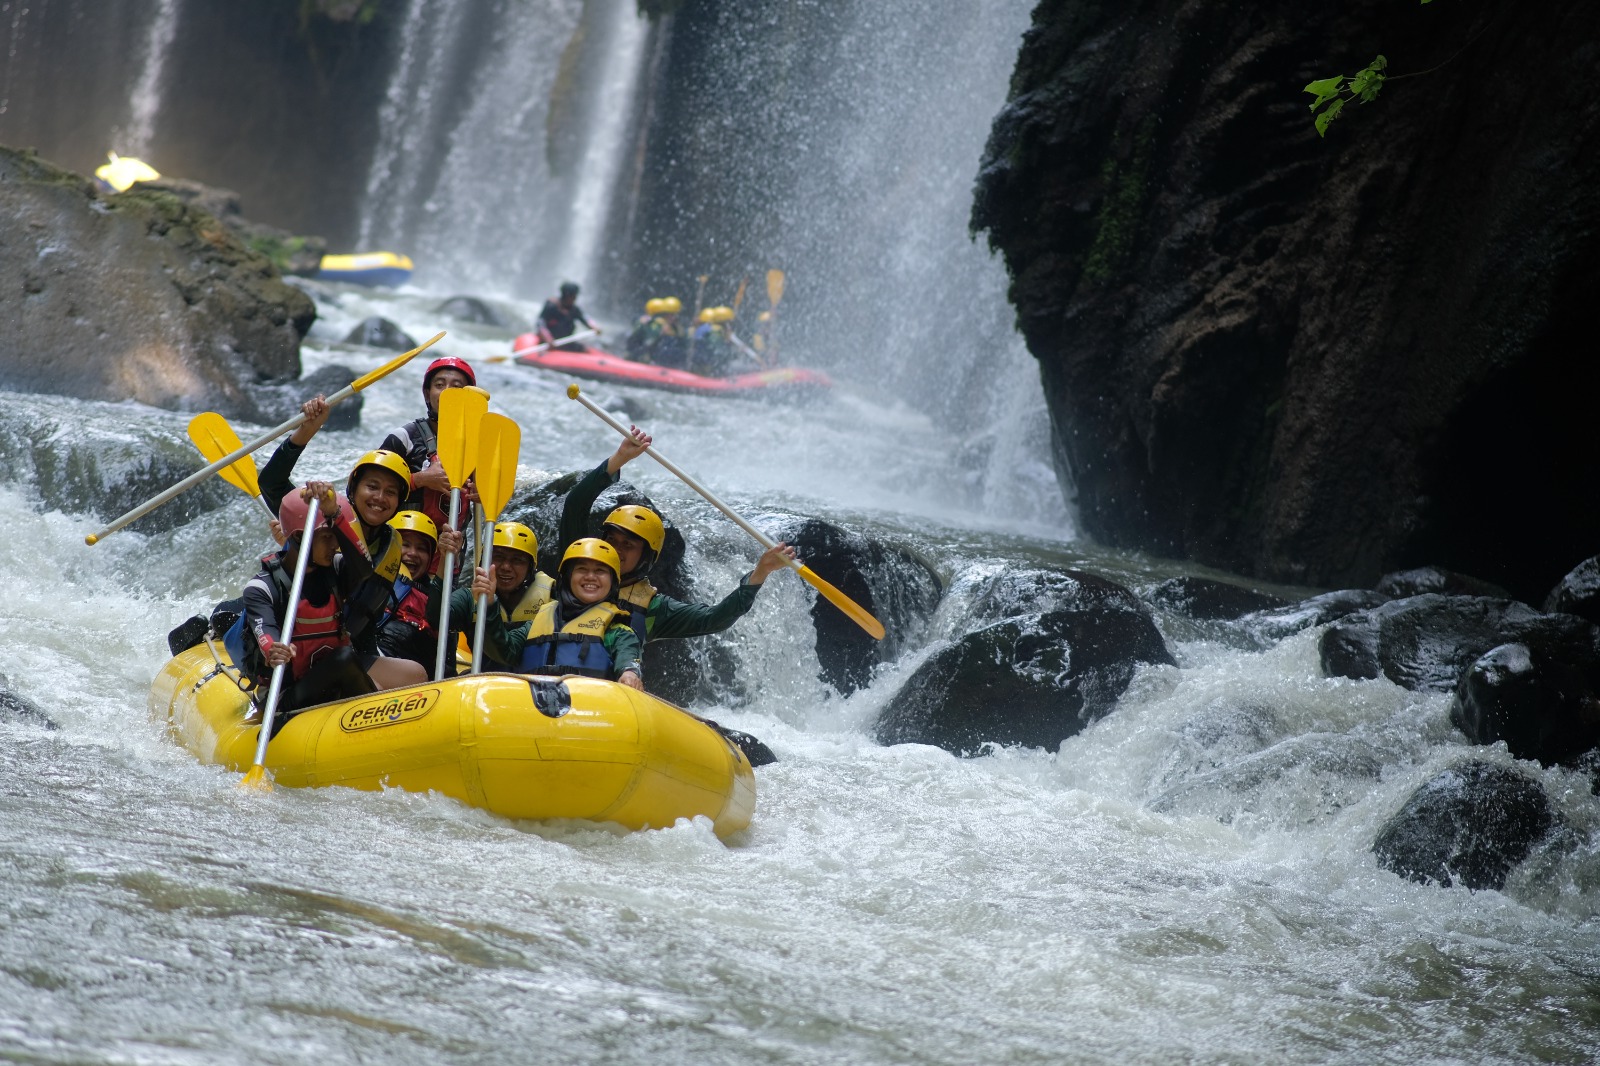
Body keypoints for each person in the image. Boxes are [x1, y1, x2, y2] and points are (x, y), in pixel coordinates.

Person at [559, 427, 796, 647]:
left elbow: (713, 619)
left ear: (645, 557)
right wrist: (620, 459)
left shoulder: (653, 608)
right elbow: (575, 504)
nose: (617, 549)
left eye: (628, 545)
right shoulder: (577, 566)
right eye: (612, 540)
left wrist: (760, 572)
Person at [237, 483, 425, 715]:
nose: (335, 545)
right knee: (345, 660)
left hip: (336, 670)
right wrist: (274, 649)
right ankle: (378, 714)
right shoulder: (262, 587)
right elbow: (264, 630)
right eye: (327, 537)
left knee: (415, 673)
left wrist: (334, 513)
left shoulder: (335, 570)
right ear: (298, 537)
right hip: (289, 689)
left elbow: (364, 567)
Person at [474, 538, 643, 688]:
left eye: (600, 571)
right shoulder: (538, 621)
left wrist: (629, 673)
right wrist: (489, 604)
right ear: (568, 578)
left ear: (613, 582)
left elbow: (627, 658)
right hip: (531, 709)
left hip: (587, 711)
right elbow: (504, 652)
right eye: (582, 569)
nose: (590, 577)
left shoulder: (618, 632)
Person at [378, 356, 478, 570]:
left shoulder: (477, 448)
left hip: (448, 558)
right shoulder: (404, 438)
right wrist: (420, 479)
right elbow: (365, 489)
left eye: (456, 386)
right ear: (427, 393)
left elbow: (488, 503)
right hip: (401, 552)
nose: (446, 392)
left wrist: (483, 495)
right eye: (439, 385)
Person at [376, 510, 465, 670]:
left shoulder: (435, 598)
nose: (413, 553)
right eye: (405, 544)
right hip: (372, 661)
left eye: (422, 548)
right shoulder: (368, 579)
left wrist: (448, 557)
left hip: (413, 677)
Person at [539, 281, 599, 351]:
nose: (575, 298)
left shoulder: (574, 310)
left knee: (584, 349)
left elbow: (585, 319)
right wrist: (547, 338)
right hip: (549, 343)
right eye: (573, 296)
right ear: (567, 295)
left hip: (566, 342)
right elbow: (540, 323)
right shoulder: (551, 306)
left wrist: (594, 327)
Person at [625, 296, 684, 366]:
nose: (674, 317)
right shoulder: (654, 324)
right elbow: (648, 341)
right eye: (671, 314)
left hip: (661, 357)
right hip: (645, 354)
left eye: (674, 315)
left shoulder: (674, 327)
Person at [689, 305, 736, 376]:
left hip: (701, 361)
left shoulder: (709, 328)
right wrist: (728, 343)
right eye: (729, 322)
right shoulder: (716, 331)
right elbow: (718, 351)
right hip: (708, 365)